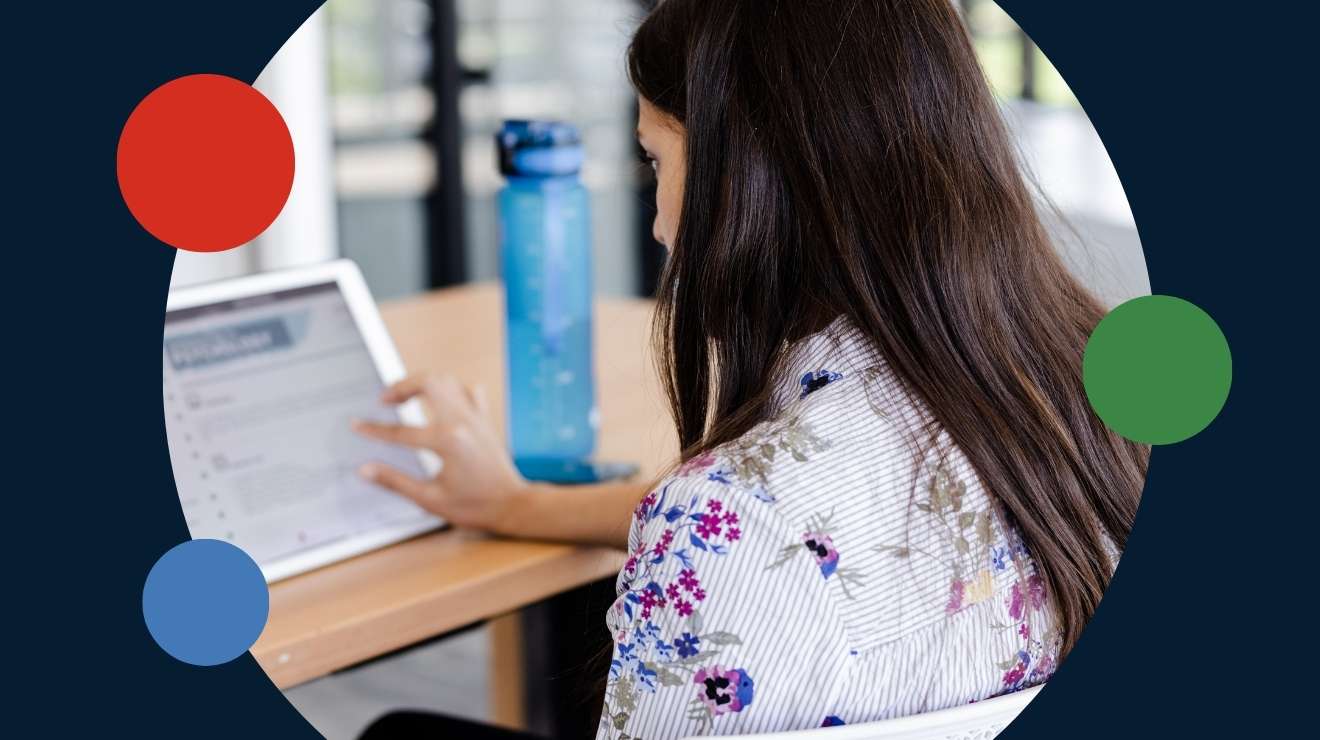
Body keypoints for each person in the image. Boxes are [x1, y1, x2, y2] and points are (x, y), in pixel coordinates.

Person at [353, 0, 1149, 737]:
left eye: (656, 160)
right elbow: (786, 529)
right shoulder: (1088, 387)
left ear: (746, 185)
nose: (661, 223)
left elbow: (745, 526)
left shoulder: (730, 519)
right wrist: (519, 504)